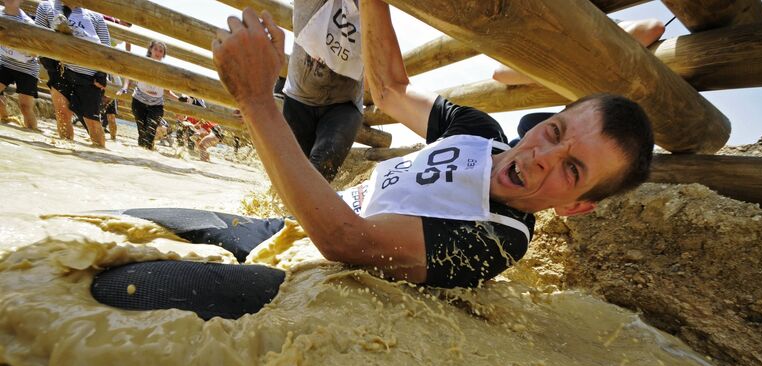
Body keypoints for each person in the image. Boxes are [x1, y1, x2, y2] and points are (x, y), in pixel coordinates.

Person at [90, 4, 653, 320]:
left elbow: (349, 244)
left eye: (572, 169)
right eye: (553, 133)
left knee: (114, 290)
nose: (539, 159)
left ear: (576, 206)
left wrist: (258, 99)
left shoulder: (498, 240)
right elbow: (387, 90)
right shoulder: (480, 130)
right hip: (288, 230)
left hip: (318, 282)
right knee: (104, 227)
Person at [279, 0, 364, 181]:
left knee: (322, 169)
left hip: (344, 104)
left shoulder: (372, 8)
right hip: (298, 99)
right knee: (293, 174)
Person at [492, 19, 666, 86]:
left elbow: (653, 28)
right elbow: (500, 74)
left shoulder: (599, 25)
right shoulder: (543, 43)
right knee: (528, 123)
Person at [34, 0, 111, 147]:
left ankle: (99, 159)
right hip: (59, 70)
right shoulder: (46, 6)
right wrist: (45, 59)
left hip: (88, 76)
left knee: (92, 123)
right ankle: (65, 155)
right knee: (62, 116)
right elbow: (38, 36)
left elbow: (106, 47)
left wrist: (102, 73)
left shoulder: (95, 16)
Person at [119, 41, 174, 150]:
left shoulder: (165, 69)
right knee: (142, 132)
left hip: (156, 105)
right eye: (156, 49)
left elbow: (167, 91)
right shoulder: (142, 63)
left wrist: (179, 99)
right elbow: (129, 77)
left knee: (150, 130)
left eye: (161, 51)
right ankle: (142, 159)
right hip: (138, 102)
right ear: (150, 50)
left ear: (163, 54)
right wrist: (124, 87)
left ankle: (148, 155)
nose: (158, 52)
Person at [0, 0, 39, 129]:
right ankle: (6, 118)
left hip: (26, 67)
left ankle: (32, 133)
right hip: (5, 61)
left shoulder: (28, 23)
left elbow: (35, 53)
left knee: (25, 107)